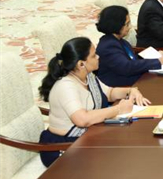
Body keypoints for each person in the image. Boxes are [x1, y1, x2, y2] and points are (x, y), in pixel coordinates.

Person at [38, 37, 150, 166]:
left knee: (127, 147)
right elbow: (82, 119)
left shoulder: (88, 76)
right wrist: (118, 109)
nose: (98, 57)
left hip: (88, 137)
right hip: (64, 146)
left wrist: (130, 91)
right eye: (93, 55)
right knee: (120, 159)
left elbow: (109, 93)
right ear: (81, 64)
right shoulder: (66, 86)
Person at [95, 6, 163, 87]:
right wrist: (158, 62)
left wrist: (155, 56)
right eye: (127, 24)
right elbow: (127, 67)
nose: (130, 27)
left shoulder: (119, 40)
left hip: (137, 80)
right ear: (117, 25)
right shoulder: (108, 46)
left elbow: (132, 59)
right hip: (124, 87)